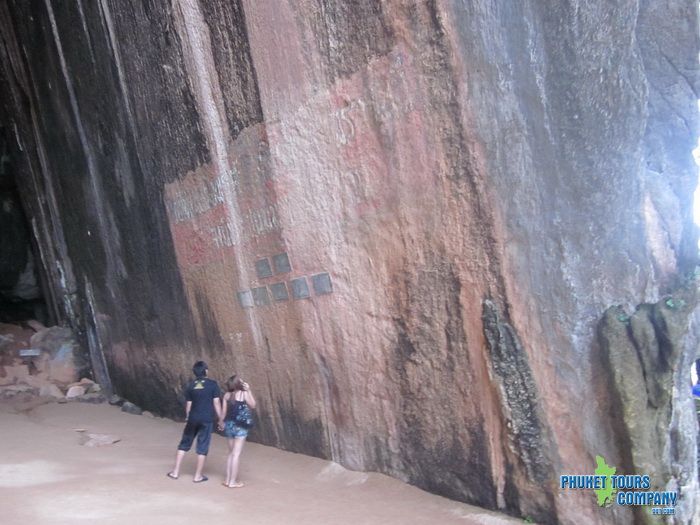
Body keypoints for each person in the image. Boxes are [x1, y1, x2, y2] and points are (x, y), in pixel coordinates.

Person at [167, 361, 223, 482]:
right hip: (206, 419)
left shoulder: (191, 385)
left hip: (192, 418)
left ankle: (175, 472)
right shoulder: (213, 385)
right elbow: (217, 402)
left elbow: (189, 404)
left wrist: (187, 417)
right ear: (206, 371)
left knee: (184, 444)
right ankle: (198, 476)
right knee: (202, 447)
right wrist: (221, 419)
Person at [221, 375, 256, 488]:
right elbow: (253, 405)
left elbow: (223, 413)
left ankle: (227, 479)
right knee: (236, 454)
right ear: (238, 384)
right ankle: (232, 482)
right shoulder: (243, 394)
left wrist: (221, 423)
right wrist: (249, 390)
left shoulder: (226, 395)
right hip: (240, 426)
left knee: (231, 453)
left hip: (229, 425)